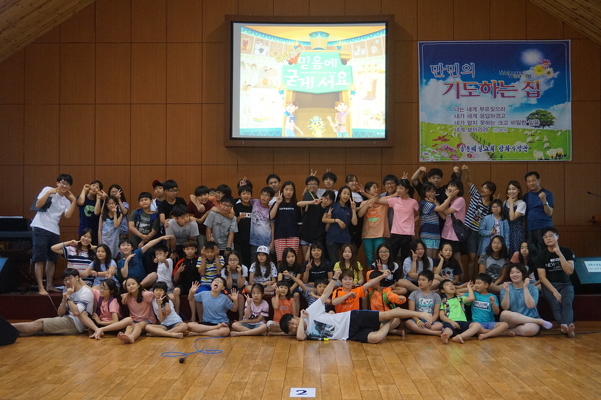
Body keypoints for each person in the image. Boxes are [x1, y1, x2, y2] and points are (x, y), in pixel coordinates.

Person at [279, 269, 432, 343]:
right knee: (376, 338)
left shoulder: (310, 311)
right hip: (348, 335)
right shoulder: (304, 333)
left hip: (351, 317)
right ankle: (392, 320)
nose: (294, 326)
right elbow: (300, 337)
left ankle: (418, 314)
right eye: (291, 328)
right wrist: (301, 321)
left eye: (293, 322)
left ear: (294, 317)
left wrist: (334, 278)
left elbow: (325, 295)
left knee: (385, 314)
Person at [31, 173, 78, 295]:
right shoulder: (48, 190)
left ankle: (49, 285)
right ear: (57, 183)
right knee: (39, 258)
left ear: (70, 187)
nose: (64, 186)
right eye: (62, 183)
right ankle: (41, 287)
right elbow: (38, 205)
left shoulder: (66, 201)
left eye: (67, 184)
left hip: (54, 230)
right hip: (41, 227)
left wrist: (74, 201)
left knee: (52, 258)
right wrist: (48, 193)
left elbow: (68, 215)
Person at [11, 269, 93, 336]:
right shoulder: (67, 290)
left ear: (77, 278)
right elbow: (60, 313)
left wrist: (69, 297)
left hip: (76, 324)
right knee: (36, 328)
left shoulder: (85, 292)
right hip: (68, 319)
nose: (68, 282)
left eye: (70, 278)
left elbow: (76, 313)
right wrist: (64, 300)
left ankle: (7, 327)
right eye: (65, 280)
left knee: (39, 324)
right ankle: (8, 333)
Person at [536, 227, 575, 338]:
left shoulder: (567, 252)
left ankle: (566, 327)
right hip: (549, 286)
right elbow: (542, 278)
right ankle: (565, 327)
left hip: (565, 285)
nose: (548, 238)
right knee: (555, 303)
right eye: (545, 237)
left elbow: (569, 271)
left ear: (557, 237)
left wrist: (559, 254)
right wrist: (554, 292)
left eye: (551, 235)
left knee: (567, 302)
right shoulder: (541, 255)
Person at [461, 165, 495, 282]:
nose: (482, 189)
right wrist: (468, 171)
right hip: (470, 230)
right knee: (472, 257)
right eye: (483, 187)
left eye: (486, 188)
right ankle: (470, 281)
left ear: (491, 192)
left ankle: (480, 281)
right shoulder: (476, 195)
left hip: (482, 233)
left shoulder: (492, 205)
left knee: (482, 258)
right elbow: (469, 182)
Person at [500, 263, 553, 336]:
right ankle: (538, 321)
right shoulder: (506, 287)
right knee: (504, 314)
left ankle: (503, 332)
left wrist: (525, 287)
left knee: (530, 330)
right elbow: (505, 307)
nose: (514, 275)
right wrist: (507, 292)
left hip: (530, 320)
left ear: (523, 274)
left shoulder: (532, 288)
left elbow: (530, 305)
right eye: (512, 273)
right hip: (513, 320)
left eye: (517, 272)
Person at [376, 179, 418, 264]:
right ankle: (392, 272)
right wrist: (366, 194)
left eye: (401, 188)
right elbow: (378, 201)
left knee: (405, 257)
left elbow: (418, 215)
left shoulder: (413, 202)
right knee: (392, 256)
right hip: (395, 232)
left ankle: (404, 272)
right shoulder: (394, 200)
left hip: (408, 233)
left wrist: (412, 222)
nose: (398, 190)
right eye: (398, 188)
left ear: (407, 190)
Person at [468, 273, 511, 340]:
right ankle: (500, 333)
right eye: (475, 283)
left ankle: (485, 335)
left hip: (490, 323)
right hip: (478, 324)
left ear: (486, 285)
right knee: (475, 329)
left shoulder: (492, 296)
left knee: (505, 324)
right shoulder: (473, 294)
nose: (476, 285)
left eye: (479, 283)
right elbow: (458, 293)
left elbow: (496, 312)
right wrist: (469, 287)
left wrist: (493, 303)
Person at [439, 280, 481, 344]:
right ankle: (446, 336)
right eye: (447, 285)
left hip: (463, 322)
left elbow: (471, 298)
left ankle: (460, 336)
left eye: (452, 284)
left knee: (477, 325)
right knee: (447, 329)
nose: (451, 285)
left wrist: (469, 287)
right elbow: (442, 316)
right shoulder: (443, 302)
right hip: (450, 322)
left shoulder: (460, 298)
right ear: (442, 290)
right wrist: (452, 322)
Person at [357, 182, 389, 267]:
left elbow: (392, 198)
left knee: (380, 257)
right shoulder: (364, 203)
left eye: (377, 187)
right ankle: (370, 274)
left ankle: (381, 273)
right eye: (374, 187)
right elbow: (360, 214)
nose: (377, 189)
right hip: (367, 235)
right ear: (367, 190)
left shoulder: (383, 201)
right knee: (369, 258)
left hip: (380, 234)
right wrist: (368, 202)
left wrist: (366, 195)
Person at [438, 179, 465, 276]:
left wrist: (448, 198)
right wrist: (437, 203)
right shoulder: (449, 200)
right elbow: (444, 216)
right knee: (443, 258)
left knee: (457, 259)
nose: (449, 188)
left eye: (452, 186)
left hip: (455, 235)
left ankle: (461, 281)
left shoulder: (460, 200)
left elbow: (445, 212)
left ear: (458, 189)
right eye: (449, 185)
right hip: (445, 233)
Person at [270, 181, 302, 261]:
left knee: (291, 260)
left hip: (293, 236)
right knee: (281, 260)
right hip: (279, 236)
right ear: (282, 190)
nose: (288, 192)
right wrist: (277, 203)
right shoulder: (277, 203)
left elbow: (299, 223)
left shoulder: (296, 205)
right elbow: (271, 216)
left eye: (291, 190)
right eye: (286, 189)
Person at [405, 270, 443, 336]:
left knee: (439, 325)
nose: (420, 282)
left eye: (423, 280)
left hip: (430, 320)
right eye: (419, 280)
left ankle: (418, 330)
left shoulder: (436, 296)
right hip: (418, 319)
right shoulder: (414, 294)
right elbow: (411, 312)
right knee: (408, 323)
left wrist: (430, 322)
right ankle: (433, 333)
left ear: (430, 282)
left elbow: (436, 314)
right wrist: (418, 321)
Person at [523, 171, 554, 249]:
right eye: (529, 181)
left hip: (544, 227)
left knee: (545, 250)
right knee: (531, 251)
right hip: (530, 227)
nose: (531, 183)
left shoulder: (547, 194)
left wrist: (544, 200)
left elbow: (550, 213)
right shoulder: (526, 196)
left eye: (533, 180)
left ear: (539, 180)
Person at [172, 240, 200, 313]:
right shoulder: (180, 262)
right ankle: (177, 313)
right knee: (176, 291)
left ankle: (194, 316)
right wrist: (178, 271)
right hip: (183, 284)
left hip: (196, 284)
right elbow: (175, 279)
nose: (190, 251)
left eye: (192, 249)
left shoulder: (199, 259)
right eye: (187, 249)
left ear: (196, 249)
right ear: (184, 250)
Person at [221, 250, 249, 319]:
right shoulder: (224, 270)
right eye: (230, 260)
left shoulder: (244, 268)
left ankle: (240, 318)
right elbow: (229, 286)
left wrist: (239, 273)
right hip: (229, 287)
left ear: (239, 261)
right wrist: (229, 273)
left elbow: (240, 285)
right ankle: (223, 317)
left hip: (240, 287)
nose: (232, 262)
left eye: (235, 260)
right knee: (227, 296)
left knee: (240, 296)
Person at [248, 186, 275, 258]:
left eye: (267, 195)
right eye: (262, 194)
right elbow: (245, 197)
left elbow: (272, 227)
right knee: (254, 261)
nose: (264, 197)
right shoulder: (255, 202)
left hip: (266, 241)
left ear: (271, 198)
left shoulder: (271, 210)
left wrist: (272, 242)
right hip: (254, 241)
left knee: (265, 262)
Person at [187, 185, 213, 250]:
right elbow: (186, 213)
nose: (203, 197)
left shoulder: (210, 205)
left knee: (202, 245)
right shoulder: (192, 203)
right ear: (197, 197)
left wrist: (195, 219)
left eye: (205, 194)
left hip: (205, 231)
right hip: (193, 231)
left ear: (208, 194)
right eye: (200, 195)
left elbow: (201, 221)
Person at [503, 180, 526, 254]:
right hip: (506, 231)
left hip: (517, 232)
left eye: (514, 189)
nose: (511, 191)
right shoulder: (505, 203)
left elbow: (512, 218)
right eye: (509, 189)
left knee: (516, 253)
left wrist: (511, 203)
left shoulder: (522, 203)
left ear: (518, 190)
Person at [234, 185, 253, 267]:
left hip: (250, 238)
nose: (246, 196)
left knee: (249, 260)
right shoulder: (236, 207)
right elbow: (232, 222)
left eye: (248, 194)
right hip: (239, 239)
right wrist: (239, 218)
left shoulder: (253, 207)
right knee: (240, 259)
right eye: (244, 194)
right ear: (240, 195)